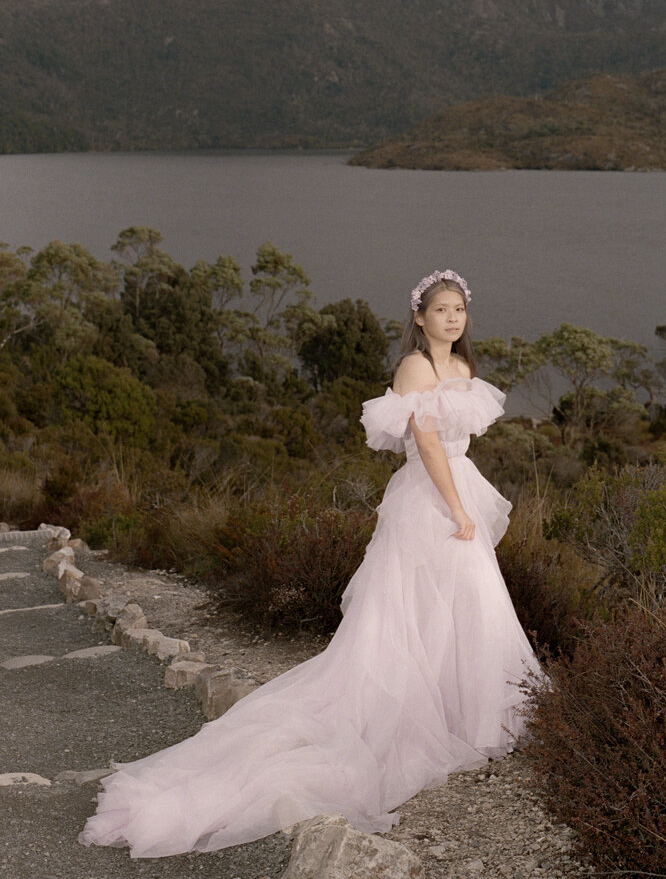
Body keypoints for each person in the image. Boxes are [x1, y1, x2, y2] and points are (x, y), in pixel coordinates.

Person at [79, 269, 544, 858]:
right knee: (414, 607)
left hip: (458, 485)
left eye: (459, 309)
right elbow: (425, 442)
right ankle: (413, 715)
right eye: (441, 310)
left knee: (468, 601)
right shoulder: (417, 367)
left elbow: (456, 442)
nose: (452, 318)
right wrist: (456, 507)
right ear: (420, 318)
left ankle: (465, 710)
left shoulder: (463, 369)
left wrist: (463, 498)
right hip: (429, 497)